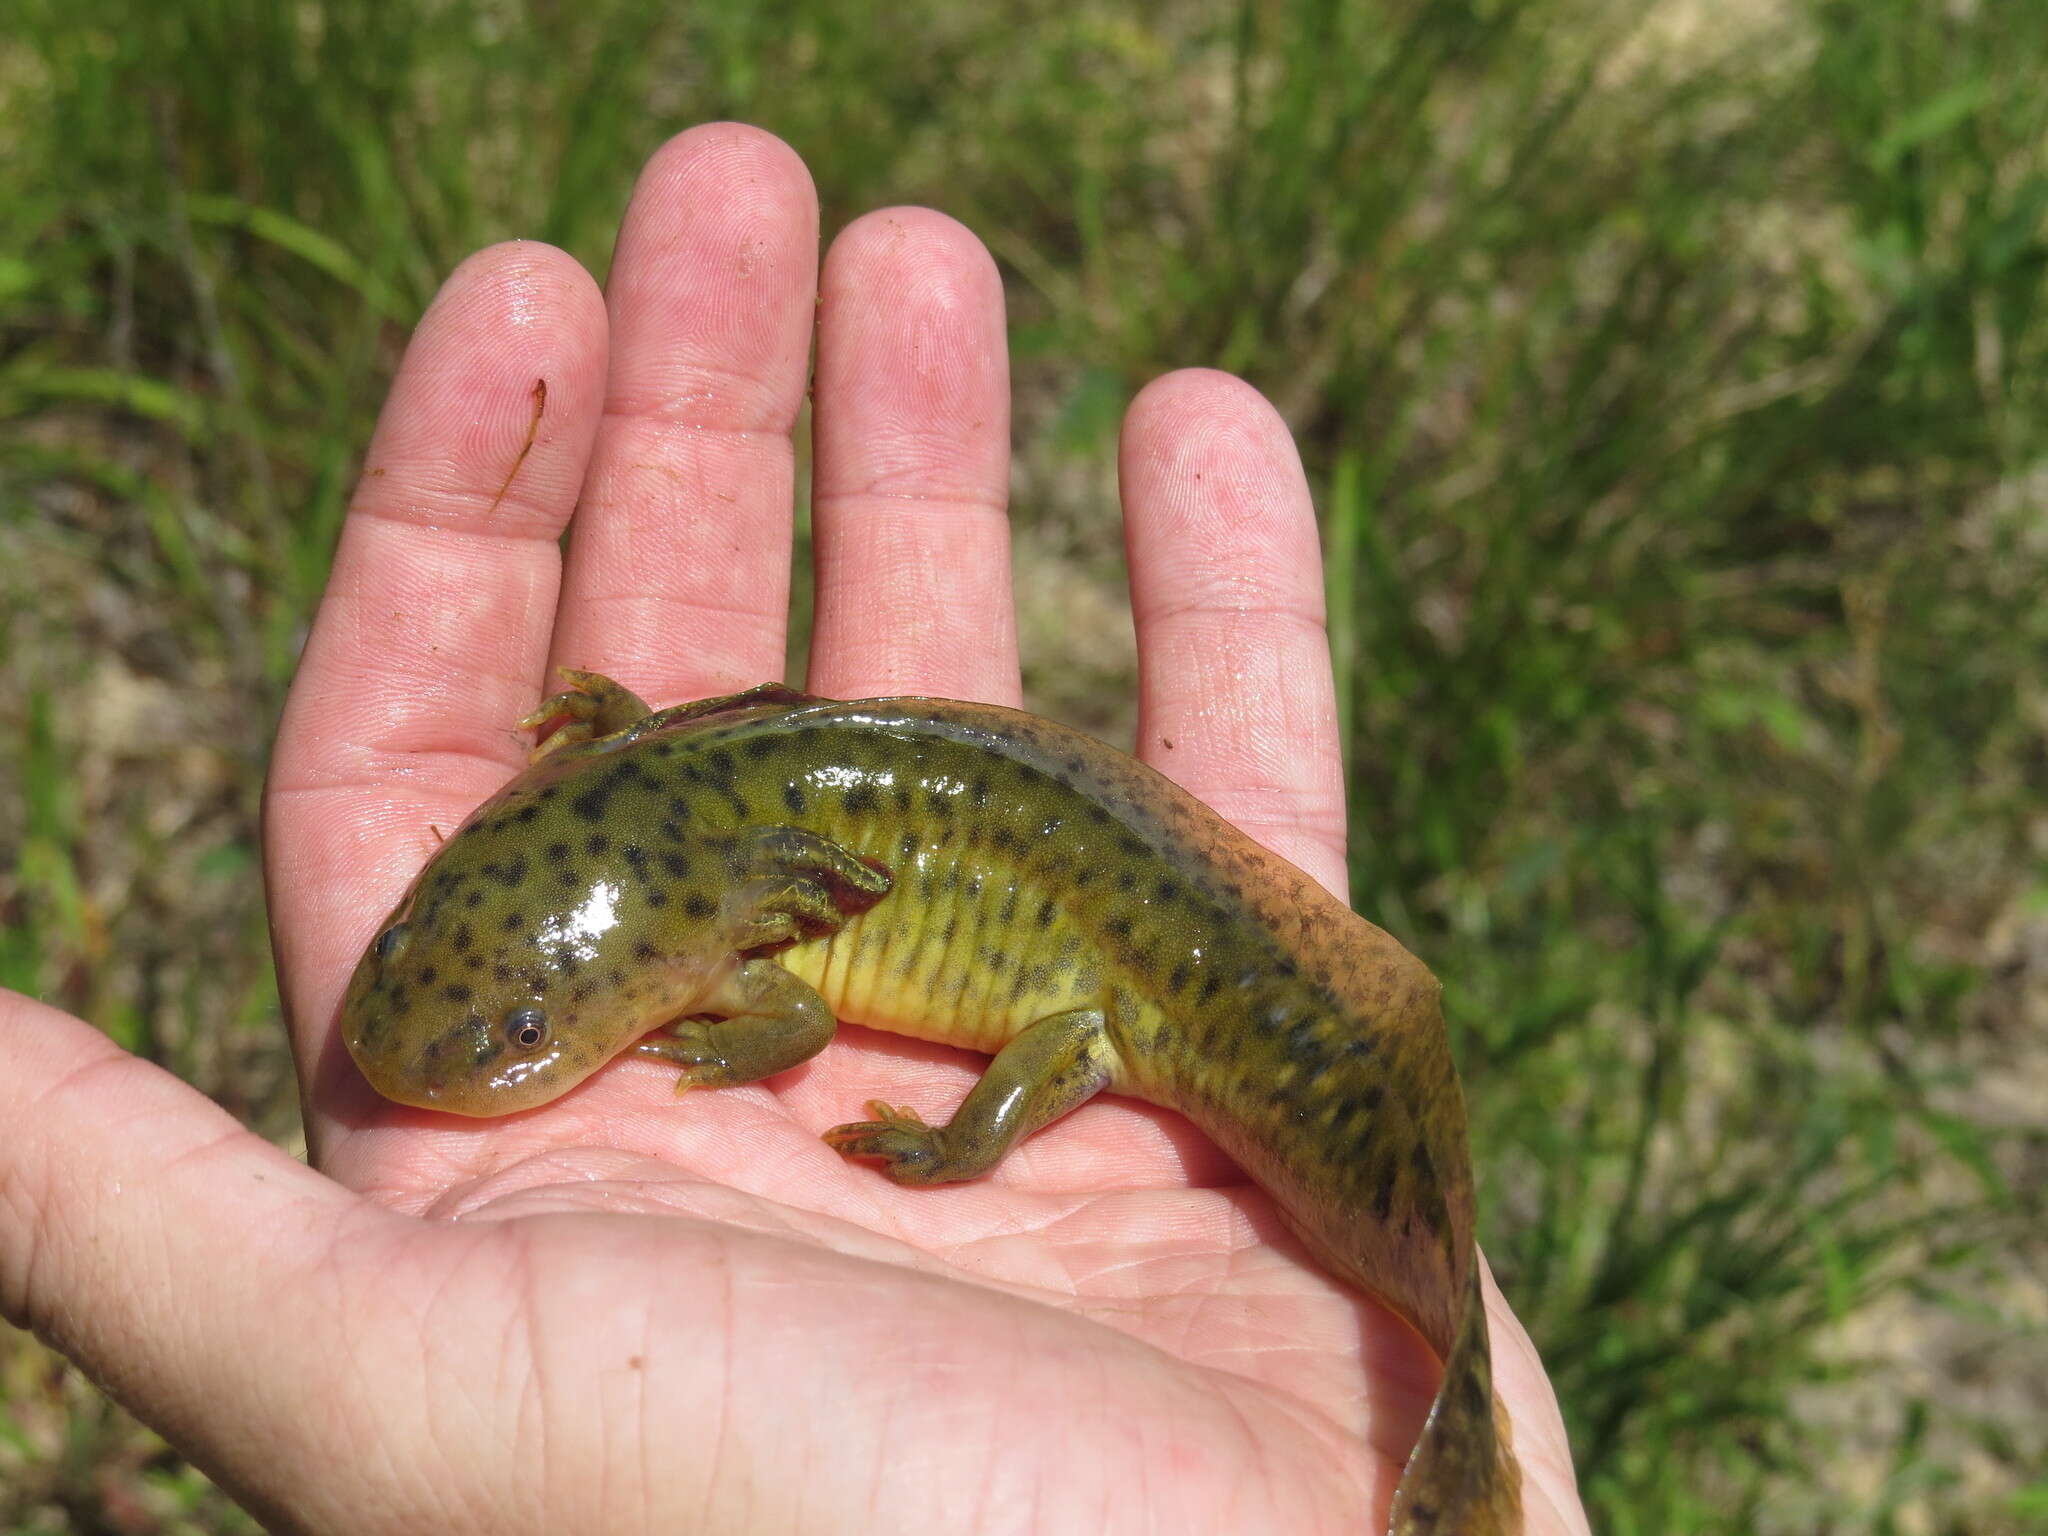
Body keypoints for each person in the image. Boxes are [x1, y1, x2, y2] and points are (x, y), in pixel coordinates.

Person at [0, 125, 1590, 1535]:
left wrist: (953, 1137)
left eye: (530, 1024)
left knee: (1101, 1022)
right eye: (436, 938)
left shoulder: (741, 936)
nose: (461, 1040)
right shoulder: (644, 812)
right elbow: (644, 760)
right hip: (999, 869)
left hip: (1127, 982)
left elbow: (799, 1001)